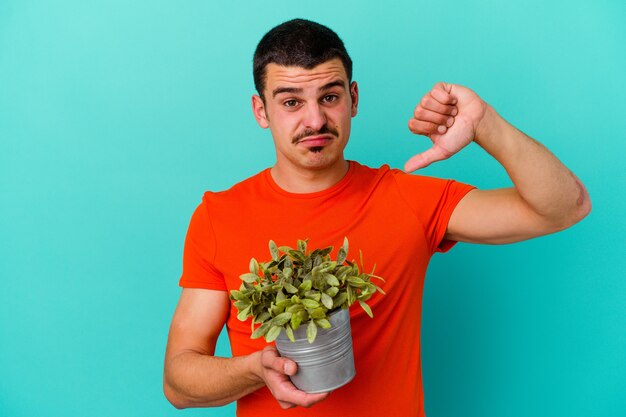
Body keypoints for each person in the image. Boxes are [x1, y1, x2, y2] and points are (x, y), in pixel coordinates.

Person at [163, 18, 590, 416]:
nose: (315, 120)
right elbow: (179, 382)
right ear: (261, 111)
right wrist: (256, 369)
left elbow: (564, 207)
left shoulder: (408, 199)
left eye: (329, 96)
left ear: (353, 99)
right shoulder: (220, 215)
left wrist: (486, 125)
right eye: (291, 102)